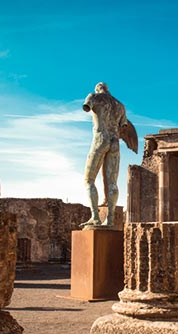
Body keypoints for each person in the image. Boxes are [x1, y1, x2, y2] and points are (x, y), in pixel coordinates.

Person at [80, 82, 131, 228]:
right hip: (115, 142)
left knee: (88, 180)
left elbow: (86, 107)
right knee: (112, 183)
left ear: (97, 89)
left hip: (100, 140)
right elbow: (124, 126)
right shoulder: (120, 105)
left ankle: (95, 217)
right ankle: (110, 219)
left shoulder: (94, 97)